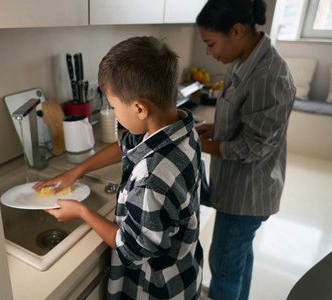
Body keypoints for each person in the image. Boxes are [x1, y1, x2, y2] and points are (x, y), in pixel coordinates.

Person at [33, 36, 204, 299]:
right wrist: (75, 171)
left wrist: (82, 211)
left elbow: (130, 248)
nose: (114, 112)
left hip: (156, 288)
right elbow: (124, 145)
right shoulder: (179, 129)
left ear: (139, 108)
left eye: (113, 106)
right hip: (184, 270)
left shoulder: (152, 177)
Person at [194, 0, 296, 299]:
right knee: (239, 256)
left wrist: (200, 144)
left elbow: (252, 146)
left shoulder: (269, 75)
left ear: (236, 30)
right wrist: (215, 129)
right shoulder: (245, 59)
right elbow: (245, 117)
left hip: (247, 194)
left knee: (224, 263)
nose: (209, 52)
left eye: (211, 43)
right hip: (238, 186)